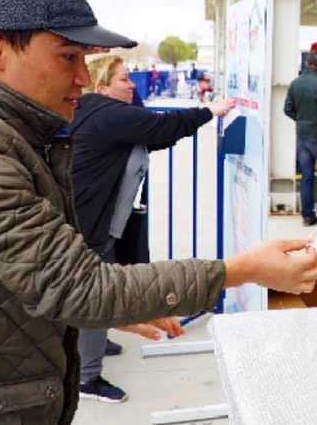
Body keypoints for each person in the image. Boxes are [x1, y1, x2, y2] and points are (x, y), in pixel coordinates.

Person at [0, 0, 317, 424]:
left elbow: (17, 283)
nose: (80, 77)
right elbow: (81, 288)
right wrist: (241, 270)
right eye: (67, 57)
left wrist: (115, 309)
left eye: (84, 60)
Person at [70, 55, 235, 402]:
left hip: (101, 221)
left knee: (105, 282)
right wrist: (210, 111)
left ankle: (94, 342)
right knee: (96, 289)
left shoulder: (105, 114)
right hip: (90, 223)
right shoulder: (106, 115)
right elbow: (160, 127)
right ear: (101, 87)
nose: (133, 85)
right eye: (124, 79)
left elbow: (154, 136)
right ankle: (87, 378)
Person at [284, 49, 317, 226]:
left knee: (307, 176)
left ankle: (308, 216)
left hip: (302, 136)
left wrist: (301, 120)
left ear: (307, 63)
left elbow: (287, 109)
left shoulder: (295, 83)